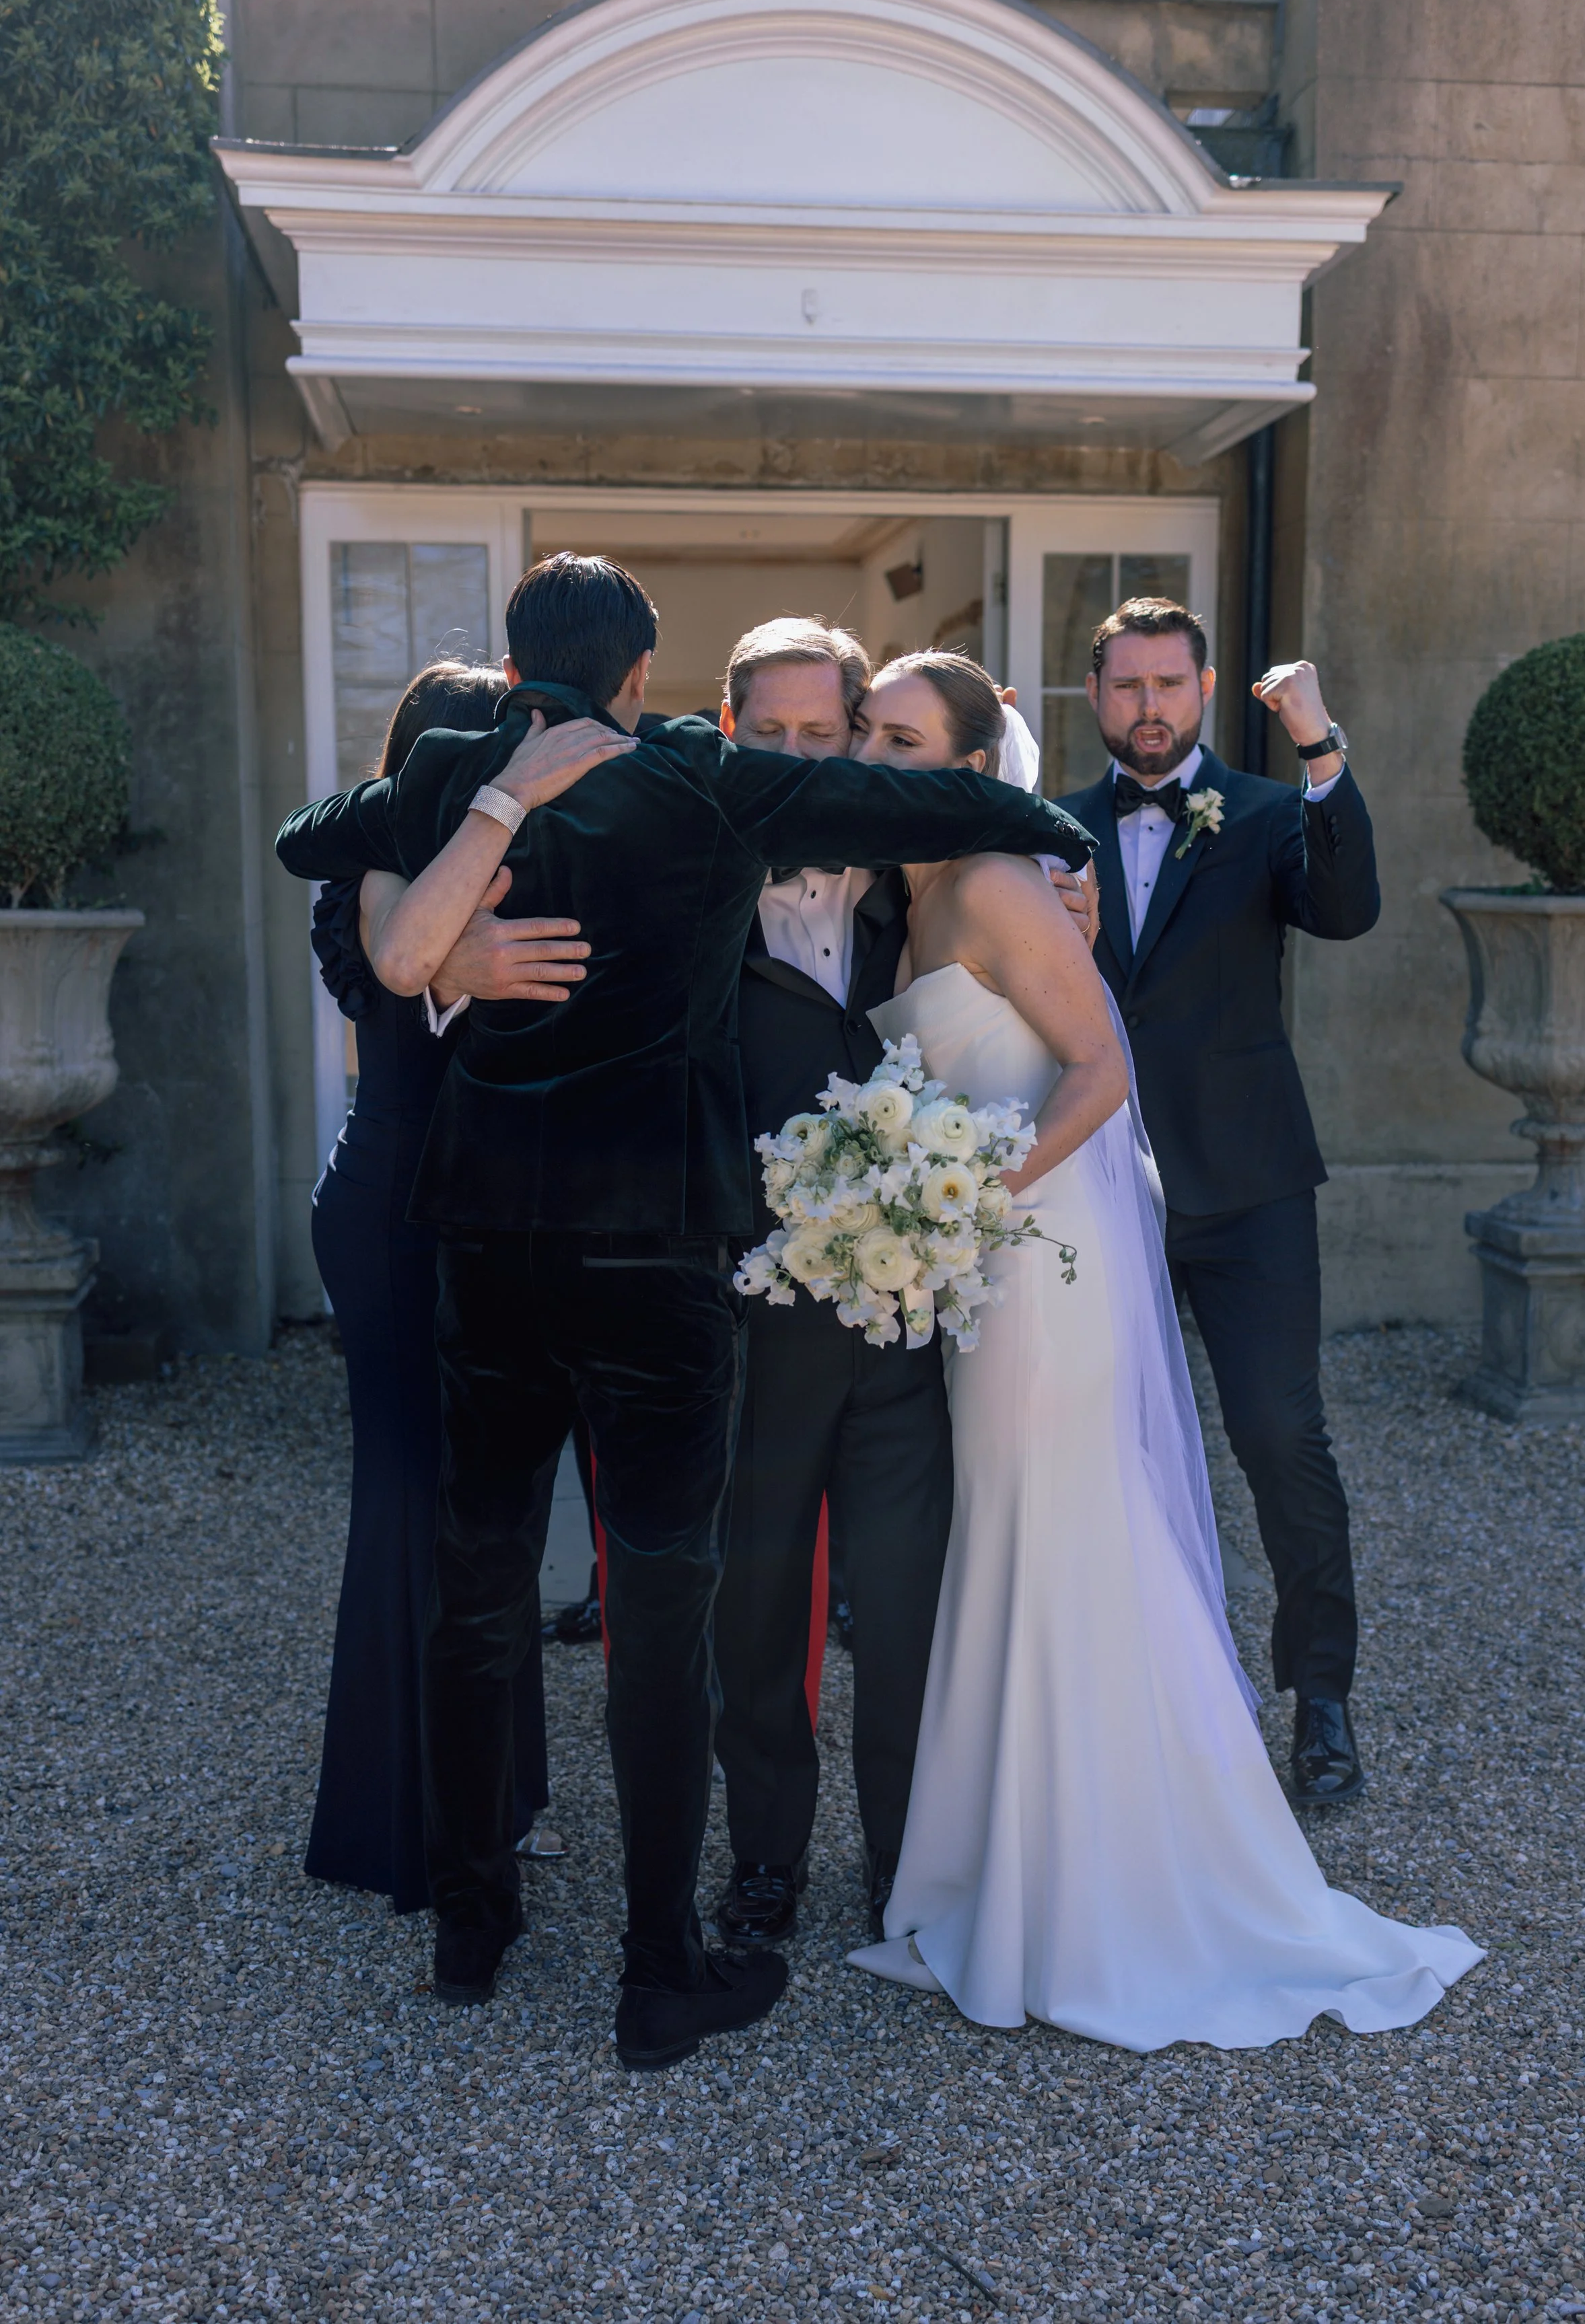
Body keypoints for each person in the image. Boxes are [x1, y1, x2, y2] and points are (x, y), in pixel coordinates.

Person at [273, 552, 1096, 2071]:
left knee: (477, 1584)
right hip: (650, 1256)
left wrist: (457, 841)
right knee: (660, 1610)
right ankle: (660, 1971)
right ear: (644, 674)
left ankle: (472, 1925)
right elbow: (920, 810)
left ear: (520, 660)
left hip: (481, 1246)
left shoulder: (458, 762)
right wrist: (1045, 822)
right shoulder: (700, 776)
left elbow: (305, 834)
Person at [843, 652, 1482, 2047]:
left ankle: (1113, 1880)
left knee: (1076, 1524)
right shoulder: (920, 883)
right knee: (1014, 1536)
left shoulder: (1004, 881)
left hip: (1035, 1249)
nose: (870, 752)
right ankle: (1002, 1864)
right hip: (982, 1262)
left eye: (900, 736)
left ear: (964, 759)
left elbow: (1100, 1064)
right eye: (862, 732)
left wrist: (961, 1192)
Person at [709, 622, 1097, 1953]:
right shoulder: (691, 887)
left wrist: (1064, 891)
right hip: (753, 1324)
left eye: (832, 735)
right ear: (730, 731)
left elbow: (1024, 1003)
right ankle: (763, 1860)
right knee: (755, 1606)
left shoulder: (912, 889)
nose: (810, 761)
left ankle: (904, 1873)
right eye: (779, 735)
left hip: (902, 1326)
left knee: (909, 1605)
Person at [1057, 599, 1379, 1804]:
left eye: (1171, 686)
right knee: (1108, 1447)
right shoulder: (1056, 829)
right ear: (1094, 694)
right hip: (1101, 1182)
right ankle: (1134, 1699)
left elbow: (1348, 911)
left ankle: (1324, 1698)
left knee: (1279, 1435)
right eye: (1128, 685)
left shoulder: (1262, 811)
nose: (1149, 707)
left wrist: (1319, 747)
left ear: (1202, 693)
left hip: (1246, 1186)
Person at [305, 662, 592, 1912]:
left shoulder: (499, 869)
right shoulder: (380, 870)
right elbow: (404, 969)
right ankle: (398, 1825)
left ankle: (491, 1798)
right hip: (392, 1224)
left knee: (486, 1520)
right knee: (416, 1504)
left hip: (473, 1223)